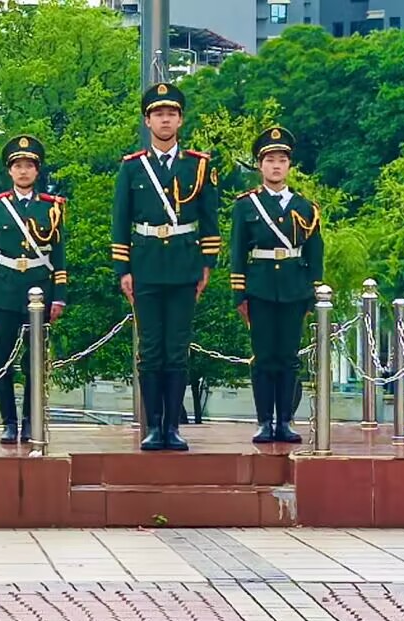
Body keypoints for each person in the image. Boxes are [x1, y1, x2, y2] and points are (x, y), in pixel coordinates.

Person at [113, 82, 221, 452]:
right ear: (147, 121)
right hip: (144, 264)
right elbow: (120, 220)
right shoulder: (132, 167)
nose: (165, 120)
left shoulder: (198, 165)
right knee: (150, 349)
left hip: (184, 264)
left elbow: (210, 219)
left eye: (171, 113)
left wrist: (207, 264)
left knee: (177, 347)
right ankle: (153, 426)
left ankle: (173, 427)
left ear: (180, 120)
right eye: (158, 114)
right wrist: (123, 268)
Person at [228, 126, 323, 443]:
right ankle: (264, 421)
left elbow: (314, 254)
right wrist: (239, 293)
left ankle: (284, 421)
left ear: (289, 165)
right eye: (270, 160)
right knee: (263, 357)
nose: (276, 166)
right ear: (260, 165)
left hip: (294, 289)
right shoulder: (246, 205)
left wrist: (312, 292)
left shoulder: (305, 207)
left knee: (288, 357)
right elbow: (237, 252)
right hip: (260, 288)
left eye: (282, 160)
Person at [0, 135, 67, 444]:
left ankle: (30, 420)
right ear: (10, 171)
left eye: (29, 166)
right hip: (4, 291)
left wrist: (60, 297)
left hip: (39, 293)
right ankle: (8, 421)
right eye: (18, 166)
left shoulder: (52, 207)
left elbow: (59, 255)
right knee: (1, 358)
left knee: (34, 361)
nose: (24, 171)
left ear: (37, 171)